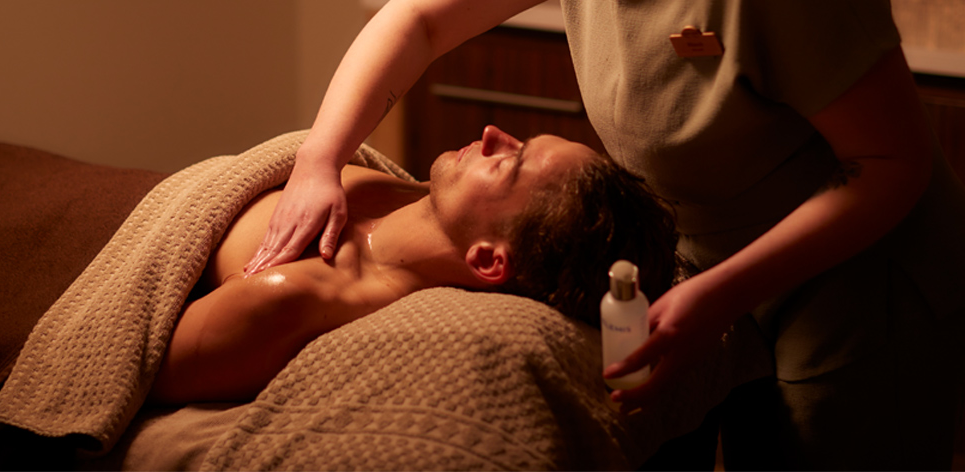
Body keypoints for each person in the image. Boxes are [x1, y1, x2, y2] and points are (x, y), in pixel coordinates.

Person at [243, 0, 965, 468]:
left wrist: (719, 294)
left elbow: (888, 164)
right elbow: (423, 18)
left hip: (853, 283)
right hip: (701, 257)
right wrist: (320, 157)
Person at [150, 125, 679, 404]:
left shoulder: (291, 292)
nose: (493, 134)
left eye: (509, 162)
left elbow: (144, 365)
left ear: (491, 260)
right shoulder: (406, 194)